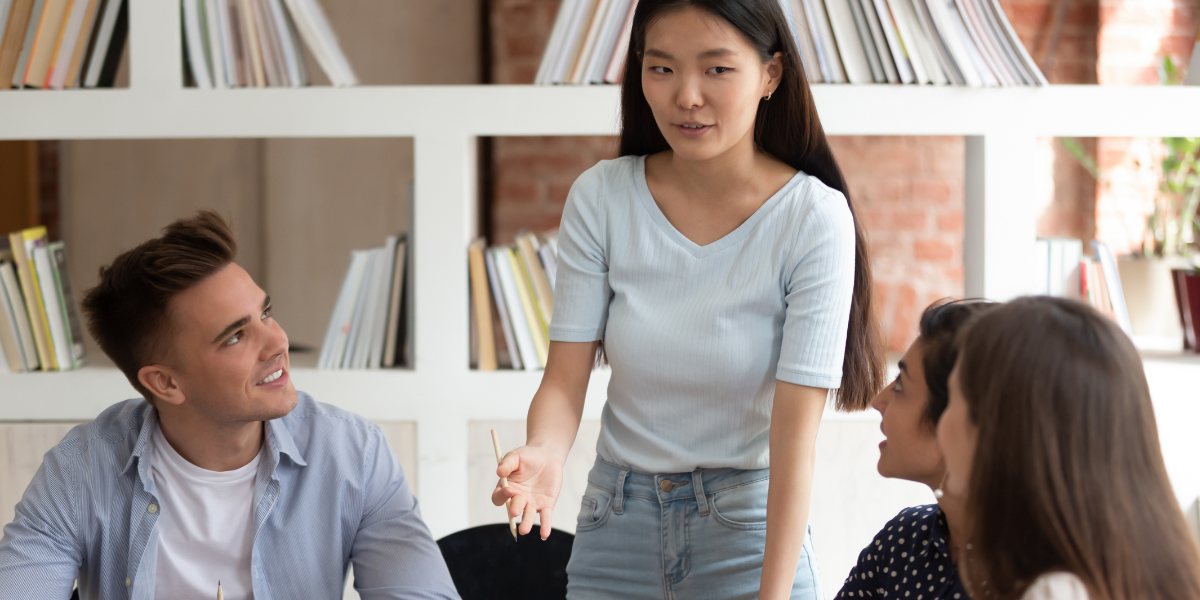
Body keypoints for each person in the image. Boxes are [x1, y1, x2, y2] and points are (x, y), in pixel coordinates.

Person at [490, 1, 885, 598]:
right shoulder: (602, 198)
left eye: (717, 70)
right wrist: (546, 452)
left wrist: (772, 595)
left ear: (770, 75)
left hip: (749, 531)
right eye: (663, 68)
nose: (687, 96)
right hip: (615, 528)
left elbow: (794, 441)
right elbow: (564, 380)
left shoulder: (813, 217)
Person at [0, 212, 459, 600]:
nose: (278, 342)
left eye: (266, 313)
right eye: (236, 336)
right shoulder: (81, 469)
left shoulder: (352, 454)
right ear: (165, 382)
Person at [937, 296, 1200, 600]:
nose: (942, 425)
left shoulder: (1054, 593)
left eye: (952, 399)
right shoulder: (1152, 571)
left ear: (999, 429)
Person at [836, 299, 994, 599]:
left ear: (957, 417)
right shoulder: (901, 540)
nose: (877, 401)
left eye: (900, 385)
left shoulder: (1032, 576)